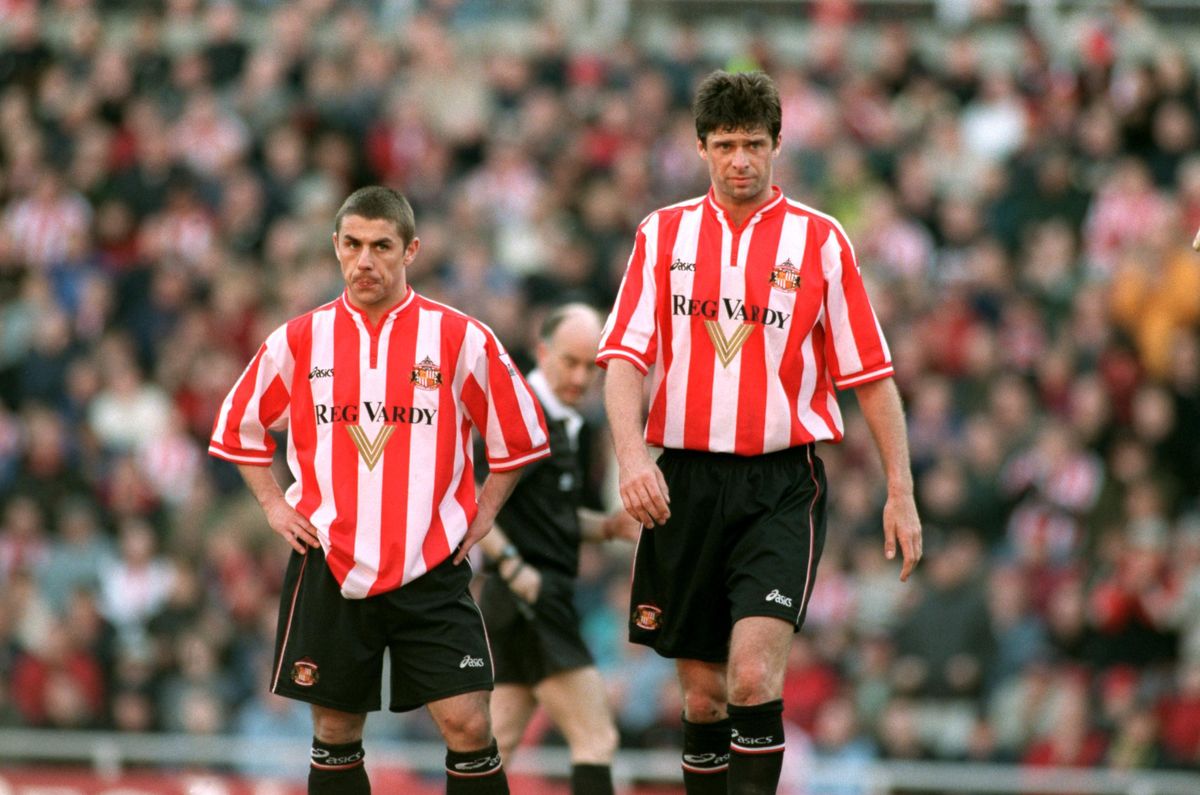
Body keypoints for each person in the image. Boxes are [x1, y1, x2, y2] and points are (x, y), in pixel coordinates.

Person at [597, 70, 923, 795]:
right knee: (704, 697)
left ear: (778, 145)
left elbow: (869, 375)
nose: (739, 159)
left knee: (752, 675)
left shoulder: (821, 241)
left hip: (780, 483)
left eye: (753, 144)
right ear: (701, 149)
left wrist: (900, 489)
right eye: (724, 145)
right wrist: (630, 458)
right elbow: (623, 359)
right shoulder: (662, 235)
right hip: (682, 479)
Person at [209, 186, 550, 795]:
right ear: (335, 248)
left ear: (410, 250)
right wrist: (271, 504)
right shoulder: (299, 341)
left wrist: (484, 513)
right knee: (336, 730)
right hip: (329, 561)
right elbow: (238, 428)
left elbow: (519, 438)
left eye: (381, 246)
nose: (365, 260)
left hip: (432, 565)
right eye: (353, 245)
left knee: (470, 723)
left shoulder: (459, 338)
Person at [476, 303, 639, 795]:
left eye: (592, 366)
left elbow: (558, 519)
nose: (581, 376)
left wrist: (610, 527)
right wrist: (511, 563)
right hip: (531, 595)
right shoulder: (521, 414)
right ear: (541, 350)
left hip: (522, 599)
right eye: (570, 361)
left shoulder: (573, 426)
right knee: (596, 738)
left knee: (494, 746)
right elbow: (472, 500)